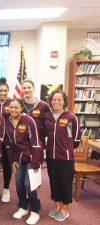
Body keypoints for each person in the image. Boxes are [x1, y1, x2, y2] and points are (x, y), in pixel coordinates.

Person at [44, 90, 82, 222]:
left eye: (59, 100)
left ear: (64, 101)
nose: (56, 102)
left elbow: (77, 138)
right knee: (54, 182)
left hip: (66, 157)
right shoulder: (47, 116)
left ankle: (65, 208)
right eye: (54, 99)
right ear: (51, 101)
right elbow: (45, 134)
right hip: (50, 156)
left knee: (65, 182)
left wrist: (67, 148)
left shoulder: (71, 117)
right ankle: (58, 205)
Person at [5, 99, 43, 225]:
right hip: (18, 158)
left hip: (32, 157)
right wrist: (12, 161)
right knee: (18, 183)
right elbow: (9, 144)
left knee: (29, 184)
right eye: (11, 107)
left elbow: (36, 141)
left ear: (21, 108)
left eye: (16, 108)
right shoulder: (8, 123)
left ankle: (35, 211)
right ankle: (23, 207)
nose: (13, 110)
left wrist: (36, 161)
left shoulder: (29, 121)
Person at [0, 78, 12, 203]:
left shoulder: (12, 103)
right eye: (1, 91)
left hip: (8, 140)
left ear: (8, 91)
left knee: (7, 165)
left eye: (5, 91)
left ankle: (6, 189)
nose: (3, 93)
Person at [21, 79, 51, 147]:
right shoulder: (19, 105)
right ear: (22, 90)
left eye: (29, 87)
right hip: (22, 143)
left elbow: (49, 124)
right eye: (24, 88)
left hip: (38, 142)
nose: (27, 90)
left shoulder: (44, 106)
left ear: (33, 88)